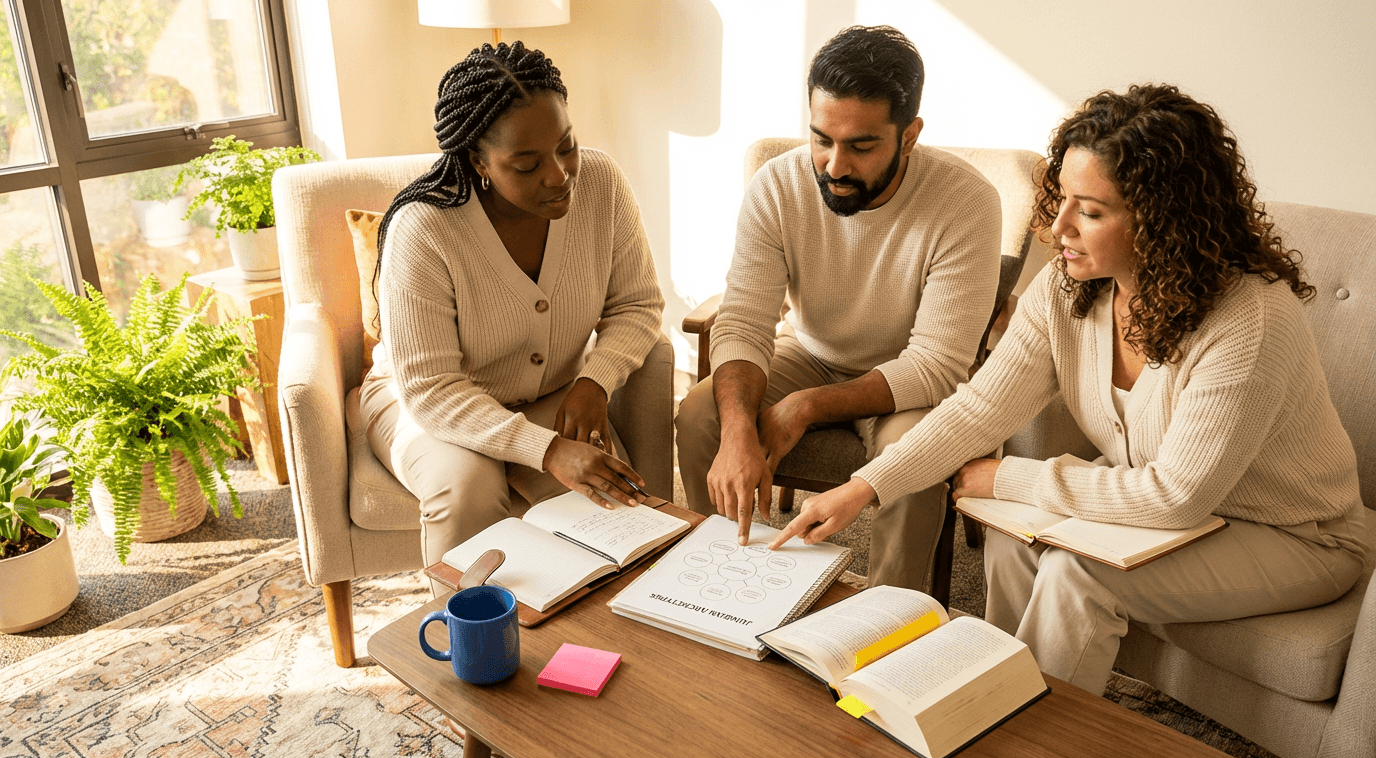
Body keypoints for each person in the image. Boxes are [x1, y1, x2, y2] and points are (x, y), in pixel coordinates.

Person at [772, 83, 1367, 694]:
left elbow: (1176, 497)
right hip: (1177, 517)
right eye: (1062, 200)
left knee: (1078, 573)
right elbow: (979, 409)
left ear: (1162, 220)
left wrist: (1008, 477)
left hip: (1295, 537)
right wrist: (861, 487)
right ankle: (984, 693)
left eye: (1090, 210)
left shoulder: (1249, 319)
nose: (1056, 228)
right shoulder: (1069, 288)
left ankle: (1023, 732)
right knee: (1010, 529)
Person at [675, 25, 1002, 592]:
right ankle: (724, 580)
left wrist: (805, 407)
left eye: (861, 145)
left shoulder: (967, 201)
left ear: (910, 135)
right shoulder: (777, 186)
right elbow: (746, 320)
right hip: (809, 351)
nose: (833, 165)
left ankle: (888, 616)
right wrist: (736, 432)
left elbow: (937, 366)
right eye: (821, 138)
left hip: (908, 380)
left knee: (916, 455)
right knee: (702, 414)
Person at [361, 42, 665, 594]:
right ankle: (470, 653)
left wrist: (596, 380)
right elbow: (430, 389)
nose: (559, 175)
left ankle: (603, 645)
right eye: (526, 165)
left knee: (608, 517)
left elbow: (637, 305)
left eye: (566, 146)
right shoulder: (424, 231)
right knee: (466, 489)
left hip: (551, 394)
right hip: (422, 402)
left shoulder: (601, 184)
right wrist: (546, 449)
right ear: (478, 161)